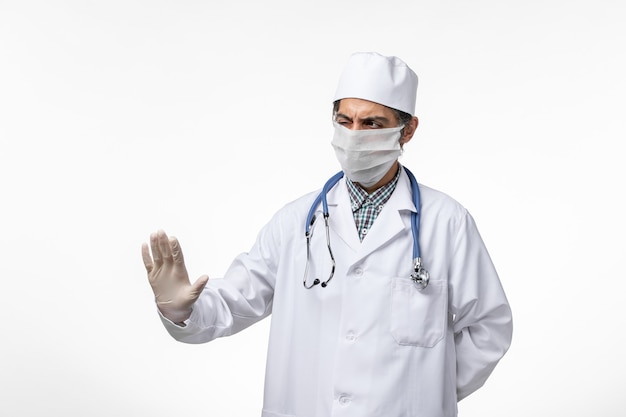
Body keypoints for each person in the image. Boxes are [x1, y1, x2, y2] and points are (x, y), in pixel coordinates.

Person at [141, 51, 513, 417]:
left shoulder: (447, 223)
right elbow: (235, 300)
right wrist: (180, 308)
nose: (353, 135)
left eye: (371, 124)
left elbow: (489, 328)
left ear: (408, 130)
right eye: (344, 120)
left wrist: (424, 395)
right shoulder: (295, 222)